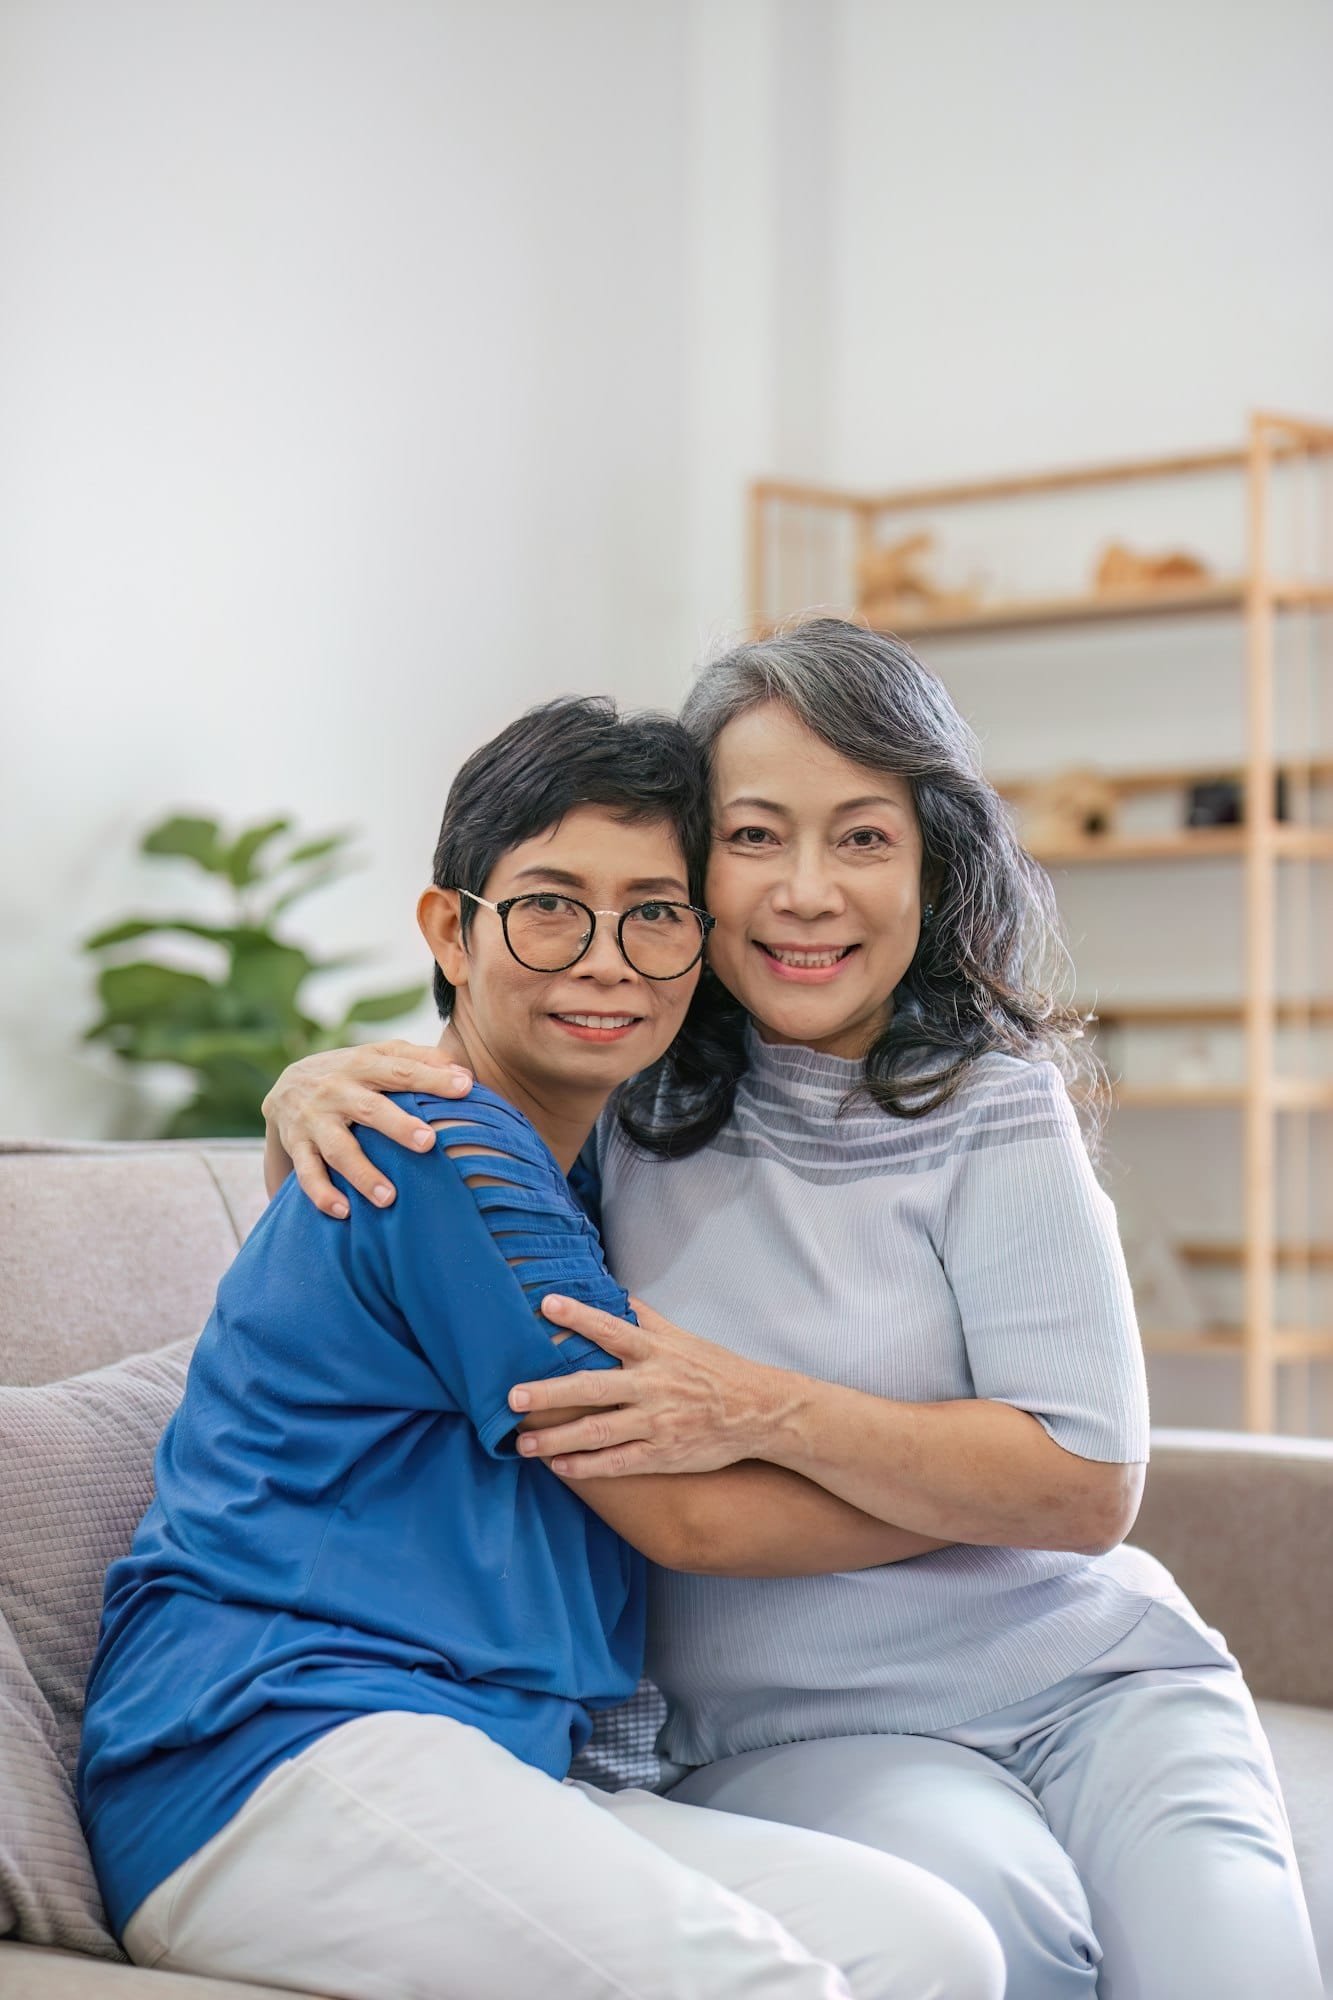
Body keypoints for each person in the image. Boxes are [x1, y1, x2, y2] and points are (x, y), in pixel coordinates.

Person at [265, 621, 1323, 2000]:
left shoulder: (996, 1106)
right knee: (1013, 1939)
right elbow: (463, 1099)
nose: (806, 893)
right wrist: (304, 1083)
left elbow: (1081, 1491)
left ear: (931, 861)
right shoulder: (620, 1096)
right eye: (755, 836)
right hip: (788, 1732)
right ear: (690, 867)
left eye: (863, 839)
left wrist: (764, 1410)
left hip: (1100, 1685)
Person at [78, 695, 1003, 2000]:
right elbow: (689, 1520)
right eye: (552, 905)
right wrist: (992, 1503)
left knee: (934, 1948)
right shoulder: (445, 1151)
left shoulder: (611, 1166)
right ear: (451, 929)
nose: (606, 959)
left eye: (656, 913)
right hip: (276, 1750)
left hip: (489, 1755)